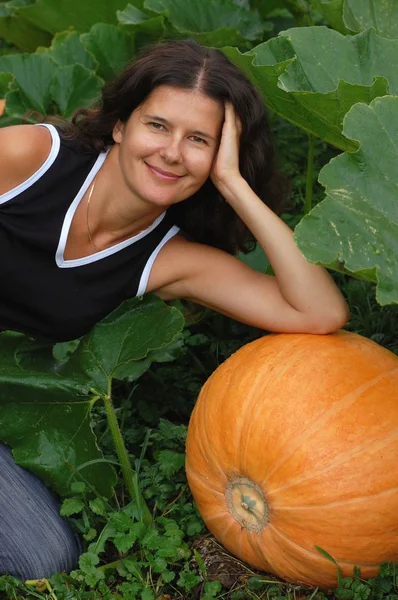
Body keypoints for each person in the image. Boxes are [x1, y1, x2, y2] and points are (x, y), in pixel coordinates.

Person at [0, 40, 349, 580]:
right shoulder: (31, 159)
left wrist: (234, 186)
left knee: (45, 556)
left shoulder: (169, 259)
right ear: (120, 125)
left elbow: (318, 312)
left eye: (199, 141)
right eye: (158, 126)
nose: (171, 152)